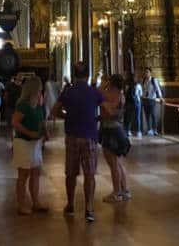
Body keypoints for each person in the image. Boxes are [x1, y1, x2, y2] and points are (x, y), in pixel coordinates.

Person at [52, 61, 106, 222]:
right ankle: (89, 208)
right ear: (88, 75)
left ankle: (70, 205)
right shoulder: (93, 92)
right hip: (89, 136)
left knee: (70, 173)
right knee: (89, 174)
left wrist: (66, 116)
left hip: (72, 137)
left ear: (75, 75)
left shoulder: (68, 92)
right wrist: (97, 118)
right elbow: (107, 111)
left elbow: (54, 110)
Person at [12, 76, 50, 215]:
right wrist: (29, 133)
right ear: (34, 88)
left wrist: (45, 133)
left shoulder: (39, 105)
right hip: (23, 143)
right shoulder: (23, 105)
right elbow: (15, 123)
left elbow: (41, 121)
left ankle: (36, 202)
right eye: (40, 86)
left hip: (36, 144)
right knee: (23, 174)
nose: (42, 89)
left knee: (36, 172)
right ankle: (21, 205)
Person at [100, 74, 131, 202]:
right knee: (118, 163)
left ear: (112, 84)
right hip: (118, 129)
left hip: (110, 130)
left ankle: (116, 192)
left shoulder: (110, 95)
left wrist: (105, 84)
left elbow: (98, 91)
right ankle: (124, 190)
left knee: (113, 164)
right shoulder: (121, 95)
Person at [141, 67, 164, 136]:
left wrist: (160, 97)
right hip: (145, 99)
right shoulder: (144, 80)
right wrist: (141, 97)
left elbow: (158, 89)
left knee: (153, 115)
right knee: (147, 115)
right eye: (145, 72)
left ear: (150, 73)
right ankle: (149, 129)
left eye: (147, 72)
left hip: (151, 99)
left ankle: (155, 130)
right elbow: (143, 90)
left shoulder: (154, 80)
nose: (146, 73)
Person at [124, 74, 142, 138]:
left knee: (130, 117)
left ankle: (128, 131)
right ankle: (138, 131)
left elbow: (125, 93)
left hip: (129, 103)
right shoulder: (138, 85)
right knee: (137, 117)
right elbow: (140, 94)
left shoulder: (127, 85)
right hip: (137, 102)